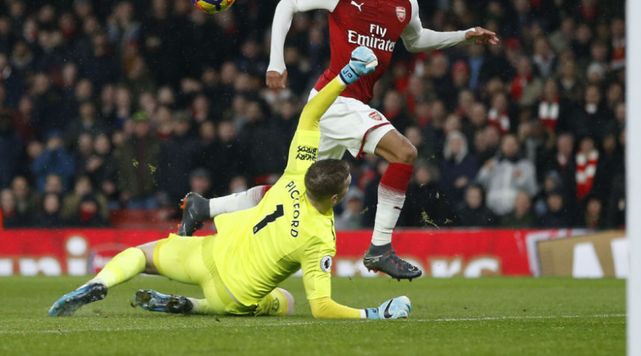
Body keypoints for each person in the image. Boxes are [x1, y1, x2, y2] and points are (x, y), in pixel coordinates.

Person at [179, 0, 499, 280]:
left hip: (340, 106)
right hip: (335, 100)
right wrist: (275, 62)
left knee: (293, 188)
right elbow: (288, 4)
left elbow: (418, 39)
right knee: (405, 153)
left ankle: (205, 205)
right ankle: (380, 248)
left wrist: (464, 36)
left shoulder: (406, 4)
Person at [49, 47, 411, 321]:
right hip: (231, 294)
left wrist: (346, 74)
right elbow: (321, 307)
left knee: (141, 254)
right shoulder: (321, 238)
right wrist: (373, 313)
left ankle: (98, 284)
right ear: (335, 196)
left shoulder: (296, 173)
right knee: (285, 301)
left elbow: (311, 112)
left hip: (209, 253)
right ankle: (195, 306)